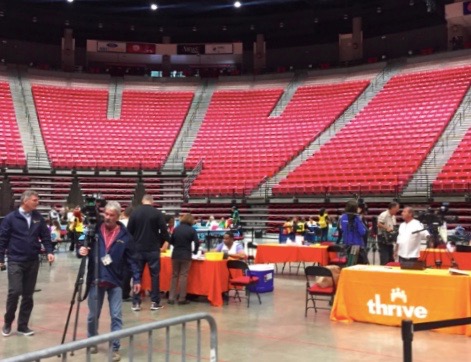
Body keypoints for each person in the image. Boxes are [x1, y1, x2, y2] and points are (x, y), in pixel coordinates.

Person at [78, 201, 140, 362]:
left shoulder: (125, 236)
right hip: (96, 278)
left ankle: (115, 347)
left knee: (116, 315)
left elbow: (133, 260)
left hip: (115, 280)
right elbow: (81, 239)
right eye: (106, 214)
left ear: (118, 216)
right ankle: (92, 340)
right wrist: (81, 249)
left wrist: (137, 279)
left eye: (111, 215)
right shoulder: (94, 229)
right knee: (92, 315)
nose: (107, 217)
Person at [0, 190, 55, 337]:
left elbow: (45, 235)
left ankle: (22, 326)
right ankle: (7, 322)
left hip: (32, 261)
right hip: (15, 260)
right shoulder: (11, 218)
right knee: (15, 291)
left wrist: (49, 251)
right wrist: (0, 259)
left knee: (28, 295)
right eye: (35, 200)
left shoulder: (38, 218)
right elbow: (2, 239)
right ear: (25, 201)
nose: (38, 203)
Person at [127, 194, 169, 311]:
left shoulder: (135, 213)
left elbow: (129, 231)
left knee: (137, 276)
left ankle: (136, 302)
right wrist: (162, 242)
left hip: (138, 249)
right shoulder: (157, 213)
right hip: (153, 249)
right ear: (152, 202)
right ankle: (155, 302)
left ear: (142, 201)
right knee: (155, 276)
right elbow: (164, 232)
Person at [168, 213, 199, 305]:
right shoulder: (192, 230)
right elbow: (197, 242)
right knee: (183, 276)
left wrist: (177, 246)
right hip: (186, 255)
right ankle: (182, 298)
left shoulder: (176, 229)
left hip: (175, 254)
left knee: (174, 275)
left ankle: (171, 297)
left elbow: (171, 241)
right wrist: (195, 252)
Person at [339, 199, 368, 265]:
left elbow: (342, 229)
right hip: (357, 245)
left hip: (347, 244)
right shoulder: (357, 218)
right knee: (359, 265)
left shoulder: (343, 217)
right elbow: (362, 232)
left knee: (349, 263)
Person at [119, 206, 134, 301]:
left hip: (118, 248)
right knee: (127, 272)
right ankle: (125, 293)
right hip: (129, 249)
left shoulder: (119, 223)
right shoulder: (132, 223)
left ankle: (119, 291)